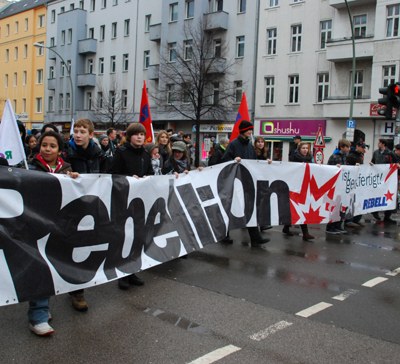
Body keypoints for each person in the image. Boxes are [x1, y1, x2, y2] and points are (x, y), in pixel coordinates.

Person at [28, 130, 79, 336]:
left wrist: (75, 180)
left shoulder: (66, 169)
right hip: (35, 226)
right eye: (44, 145)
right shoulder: (29, 168)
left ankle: (43, 307)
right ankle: (37, 316)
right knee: (40, 268)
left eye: (52, 146)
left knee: (52, 267)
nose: (47, 149)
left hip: (59, 226)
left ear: (59, 150)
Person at [65, 118, 104, 311]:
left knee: (82, 250)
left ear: (91, 134)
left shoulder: (98, 155)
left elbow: (109, 176)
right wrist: (67, 173)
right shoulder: (67, 152)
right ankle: (73, 288)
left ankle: (76, 289)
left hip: (89, 209)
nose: (78, 135)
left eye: (82, 131)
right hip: (69, 210)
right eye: (76, 131)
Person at [109, 122, 154, 290]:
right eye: (136, 134)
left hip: (140, 202)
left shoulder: (146, 154)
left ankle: (132, 271)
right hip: (123, 201)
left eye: (142, 134)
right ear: (129, 137)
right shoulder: (121, 153)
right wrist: (129, 179)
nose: (140, 137)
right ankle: (122, 274)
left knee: (137, 238)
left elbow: (150, 174)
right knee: (124, 238)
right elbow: (112, 175)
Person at [221, 120, 270, 247]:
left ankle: (255, 237)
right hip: (235, 182)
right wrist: (233, 160)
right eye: (248, 129)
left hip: (246, 182)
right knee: (230, 208)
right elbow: (224, 161)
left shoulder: (249, 146)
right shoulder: (233, 144)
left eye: (251, 130)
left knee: (249, 209)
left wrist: (265, 162)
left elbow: (254, 162)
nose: (250, 132)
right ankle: (224, 234)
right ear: (243, 130)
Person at [283, 142, 315, 241]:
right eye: (303, 148)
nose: (305, 150)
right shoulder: (294, 159)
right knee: (298, 208)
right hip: (295, 187)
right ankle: (305, 233)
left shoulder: (310, 160)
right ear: (299, 149)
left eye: (307, 148)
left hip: (304, 187)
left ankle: (286, 227)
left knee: (299, 208)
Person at [326, 139, 351, 234]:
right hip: (336, 185)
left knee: (342, 207)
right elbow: (329, 169)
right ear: (342, 147)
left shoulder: (345, 157)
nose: (348, 149)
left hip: (342, 185)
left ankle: (338, 225)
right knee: (335, 207)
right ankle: (330, 226)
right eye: (347, 147)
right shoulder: (334, 157)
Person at [371, 139, 396, 223]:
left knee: (388, 196)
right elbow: (373, 161)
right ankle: (375, 212)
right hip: (378, 178)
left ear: (383, 144)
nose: (378, 144)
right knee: (377, 194)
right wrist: (371, 164)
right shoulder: (375, 153)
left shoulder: (390, 153)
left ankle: (387, 216)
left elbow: (396, 162)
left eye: (379, 143)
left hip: (388, 178)